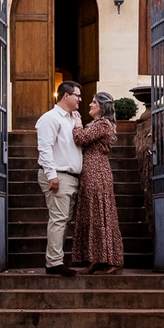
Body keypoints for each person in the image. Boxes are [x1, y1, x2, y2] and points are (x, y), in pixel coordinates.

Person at [71, 91, 125, 274]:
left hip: (97, 173)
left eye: (93, 102)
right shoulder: (96, 124)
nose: (89, 105)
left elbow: (81, 138)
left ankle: (113, 260)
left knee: (100, 214)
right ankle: (96, 259)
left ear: (102, 106)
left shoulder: (103, 124)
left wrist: (77, 124)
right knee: (92, 214)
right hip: (90, 173)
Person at [35, 80, 83, 275]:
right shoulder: (50, 118)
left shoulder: (73, 118)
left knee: (63, 219)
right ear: (66, 96)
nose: (80, 99)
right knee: (59, 219)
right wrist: (52, 175)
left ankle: (55, 260)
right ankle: (54, 263)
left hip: (70, 177)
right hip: (58, 176)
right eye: (77, 95)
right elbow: (44, 148)